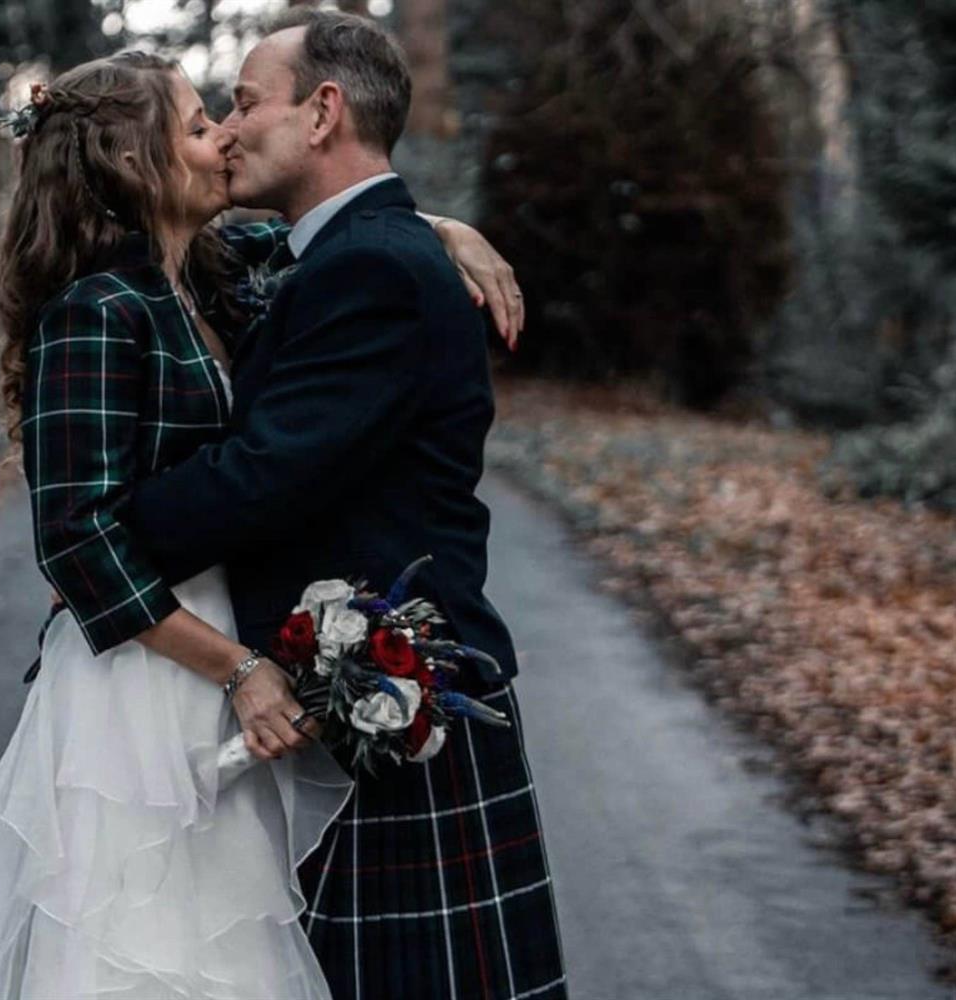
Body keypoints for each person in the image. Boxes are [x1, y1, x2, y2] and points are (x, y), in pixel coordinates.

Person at [0, 45, 525, 1000]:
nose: (225, 136)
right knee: (140, 939)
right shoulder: (97, 310)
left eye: (230, 114)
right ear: (136, 164)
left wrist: (441, 227)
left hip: (220, 662)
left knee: (238, 944)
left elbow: (343, 241)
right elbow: (78, 536)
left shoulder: (205, 274)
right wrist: (195, 630)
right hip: (154, 670)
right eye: (202, 124)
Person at [117, 10, 568, 999]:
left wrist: (98, 537)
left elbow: (268, 474)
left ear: (323, 113)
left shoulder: (371, 266)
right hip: (353, 700)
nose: (228, 132)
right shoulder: (340, 253)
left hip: (395, 707)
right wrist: (438, 224)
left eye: (245, 104)